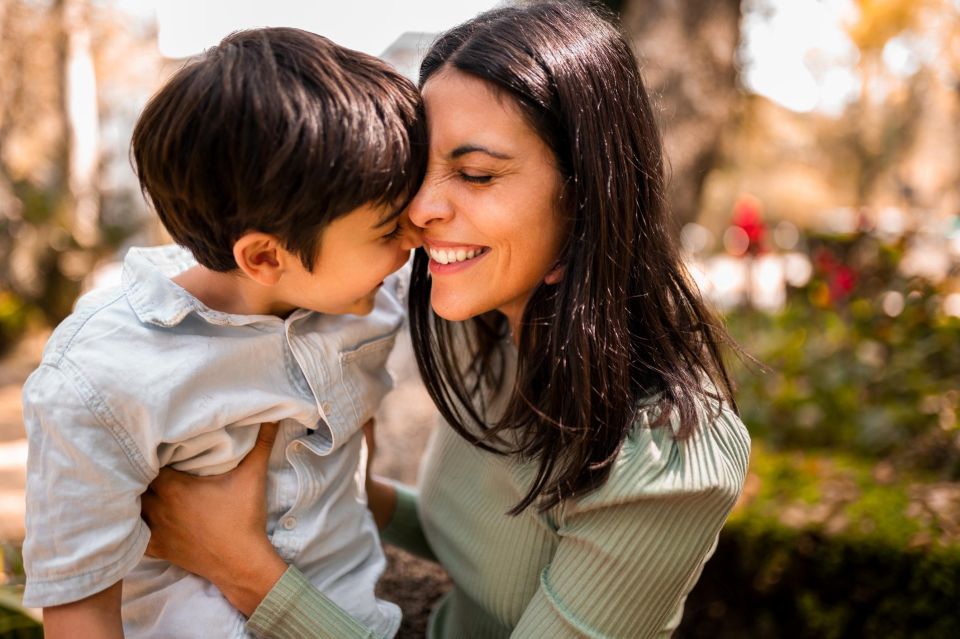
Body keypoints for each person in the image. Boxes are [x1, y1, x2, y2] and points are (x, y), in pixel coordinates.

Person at [142, 3, 752, 638]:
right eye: (418, 170)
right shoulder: (481, 328)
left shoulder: (670, 457)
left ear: (586, 196)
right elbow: (491, 549)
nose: (421, 209)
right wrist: (341, 494)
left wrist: (243, 567)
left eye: (477, 174)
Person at [20, 27, 425, 639]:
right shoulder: (102, 379)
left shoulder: (365, 303)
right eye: (388, 229)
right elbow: (81, 605)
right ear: (264, 258)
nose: (414, 239)